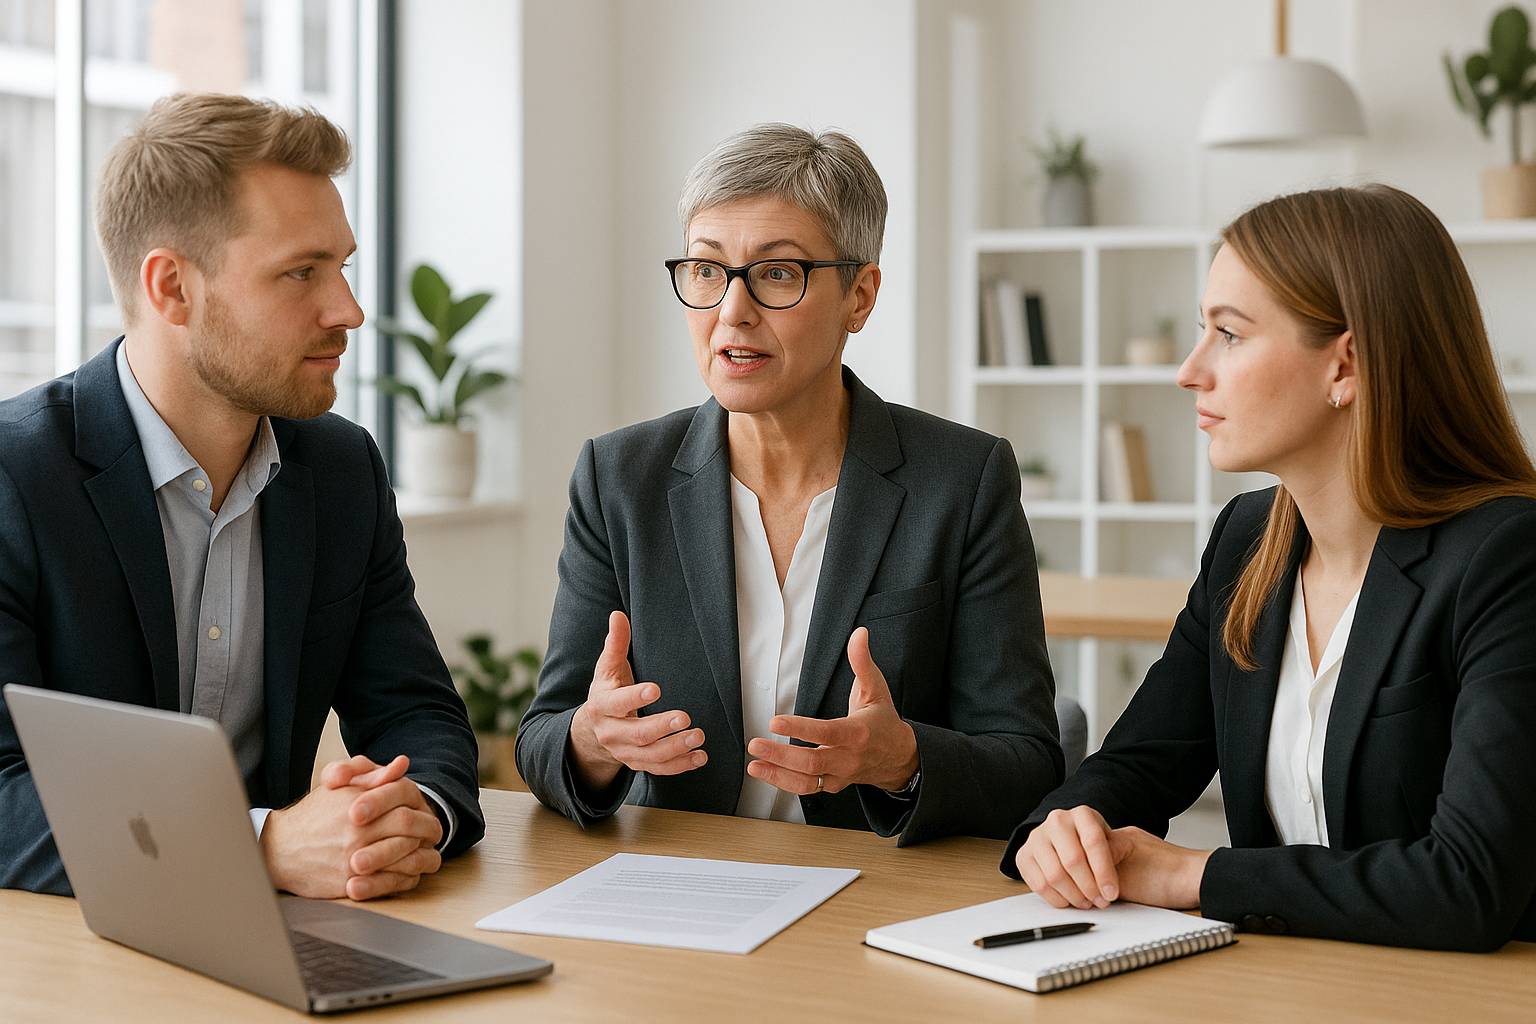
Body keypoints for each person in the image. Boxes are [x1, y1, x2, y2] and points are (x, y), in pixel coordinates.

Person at [1004, 184, 1536, 951]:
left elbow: (1470, 882)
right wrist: (1061, 831)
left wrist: (1197, 876)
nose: (1190, 370)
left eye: (1229, 334)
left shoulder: (1506, 559)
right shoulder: (1247, 543)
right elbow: (1136, 768)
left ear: (1344, 366)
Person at [517, 124, 1062, 845]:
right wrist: (590, 739)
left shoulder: (961, 481)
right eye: (707, 271)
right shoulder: (619, 479)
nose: (731, 311)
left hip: (870, 895)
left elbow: (1029, 763)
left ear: (859, 297)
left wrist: (903, 761)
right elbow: (543, 737)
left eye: (778, 274)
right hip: (680, 887)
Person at [0, 94, 483, 901]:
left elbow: (416, 717)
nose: (349, 311)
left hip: (288, 942)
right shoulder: (14, 478)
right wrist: (254, 848)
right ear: (172, 288)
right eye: (301, 272)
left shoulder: (340, 470)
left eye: (342, 266)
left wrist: (409, 819)